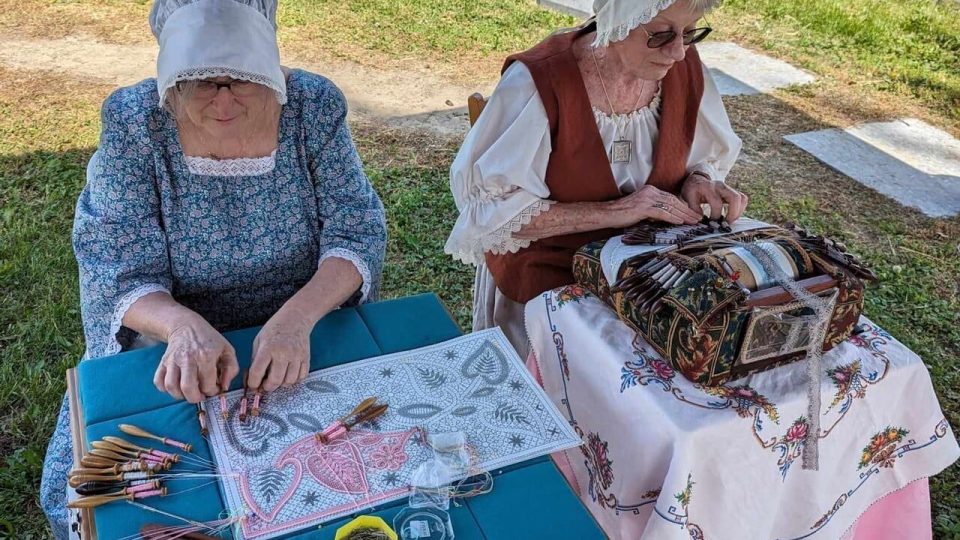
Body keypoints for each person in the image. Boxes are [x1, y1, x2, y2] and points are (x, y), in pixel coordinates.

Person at [40, 0, 387, 536]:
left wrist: (297, 320)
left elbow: (355, 230)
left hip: (301, 318)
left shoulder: (312, 105)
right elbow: (114, 260)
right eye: (202, 81)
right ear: (172, 82)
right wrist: (181, 329)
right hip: (171, 333)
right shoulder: (135, 121)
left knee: (344, 468)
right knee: (106, 496)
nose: (223, 98)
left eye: (240, 80)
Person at [444, 0, 746, 357]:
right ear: (620, 18)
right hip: (549, 284)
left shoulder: (684, 71)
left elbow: (703, 154)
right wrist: (617, 211)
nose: (678, 52)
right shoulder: (541, 82)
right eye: (661, 34)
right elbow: (492, 215)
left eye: (690, 32)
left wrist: (698, 178)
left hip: (649, 280)